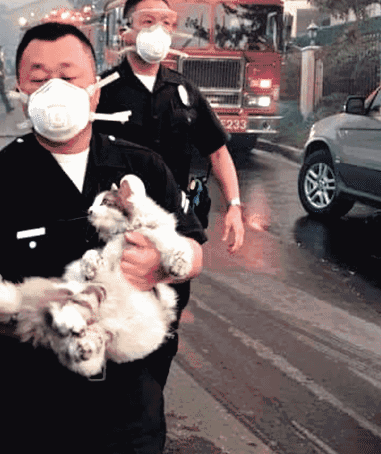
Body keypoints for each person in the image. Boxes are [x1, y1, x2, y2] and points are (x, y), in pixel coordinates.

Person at [0, 22, 206, 454]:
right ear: (20, 92)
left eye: (68, 76)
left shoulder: (144, 167)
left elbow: (194, 251)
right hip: (33, 406)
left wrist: (166, 264)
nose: (54, 90)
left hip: (132, 403)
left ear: (95, 88)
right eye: (39, 79)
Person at [94, 0, 245, 386]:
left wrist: (235, 206)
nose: (158, 31)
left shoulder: (184, 92)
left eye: (167, 22)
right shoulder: (104, 92)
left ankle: (148, 399)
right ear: (126, 31)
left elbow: (217, 150)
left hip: (174, 228)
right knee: (112, 317)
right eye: (148, 21)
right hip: (116, 233)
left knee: (164, 323)